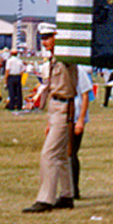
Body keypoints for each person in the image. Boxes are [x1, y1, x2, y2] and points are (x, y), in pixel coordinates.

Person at [25, 24, 78, 213]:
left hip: (64, 106)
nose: (44, 42)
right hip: (55, 106)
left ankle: (45, 199)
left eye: (48, 37)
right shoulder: (53, 60)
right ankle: (66, 195)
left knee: (49, 154)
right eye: (42, 38)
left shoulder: (66, 58)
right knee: (61, 155)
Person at [70, 65, 92, 199]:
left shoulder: (79, 72)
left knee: (71, 152)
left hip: (76, 115)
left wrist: (81, 119)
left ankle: (74, 189)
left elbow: (85, 96)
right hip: (64, 115)